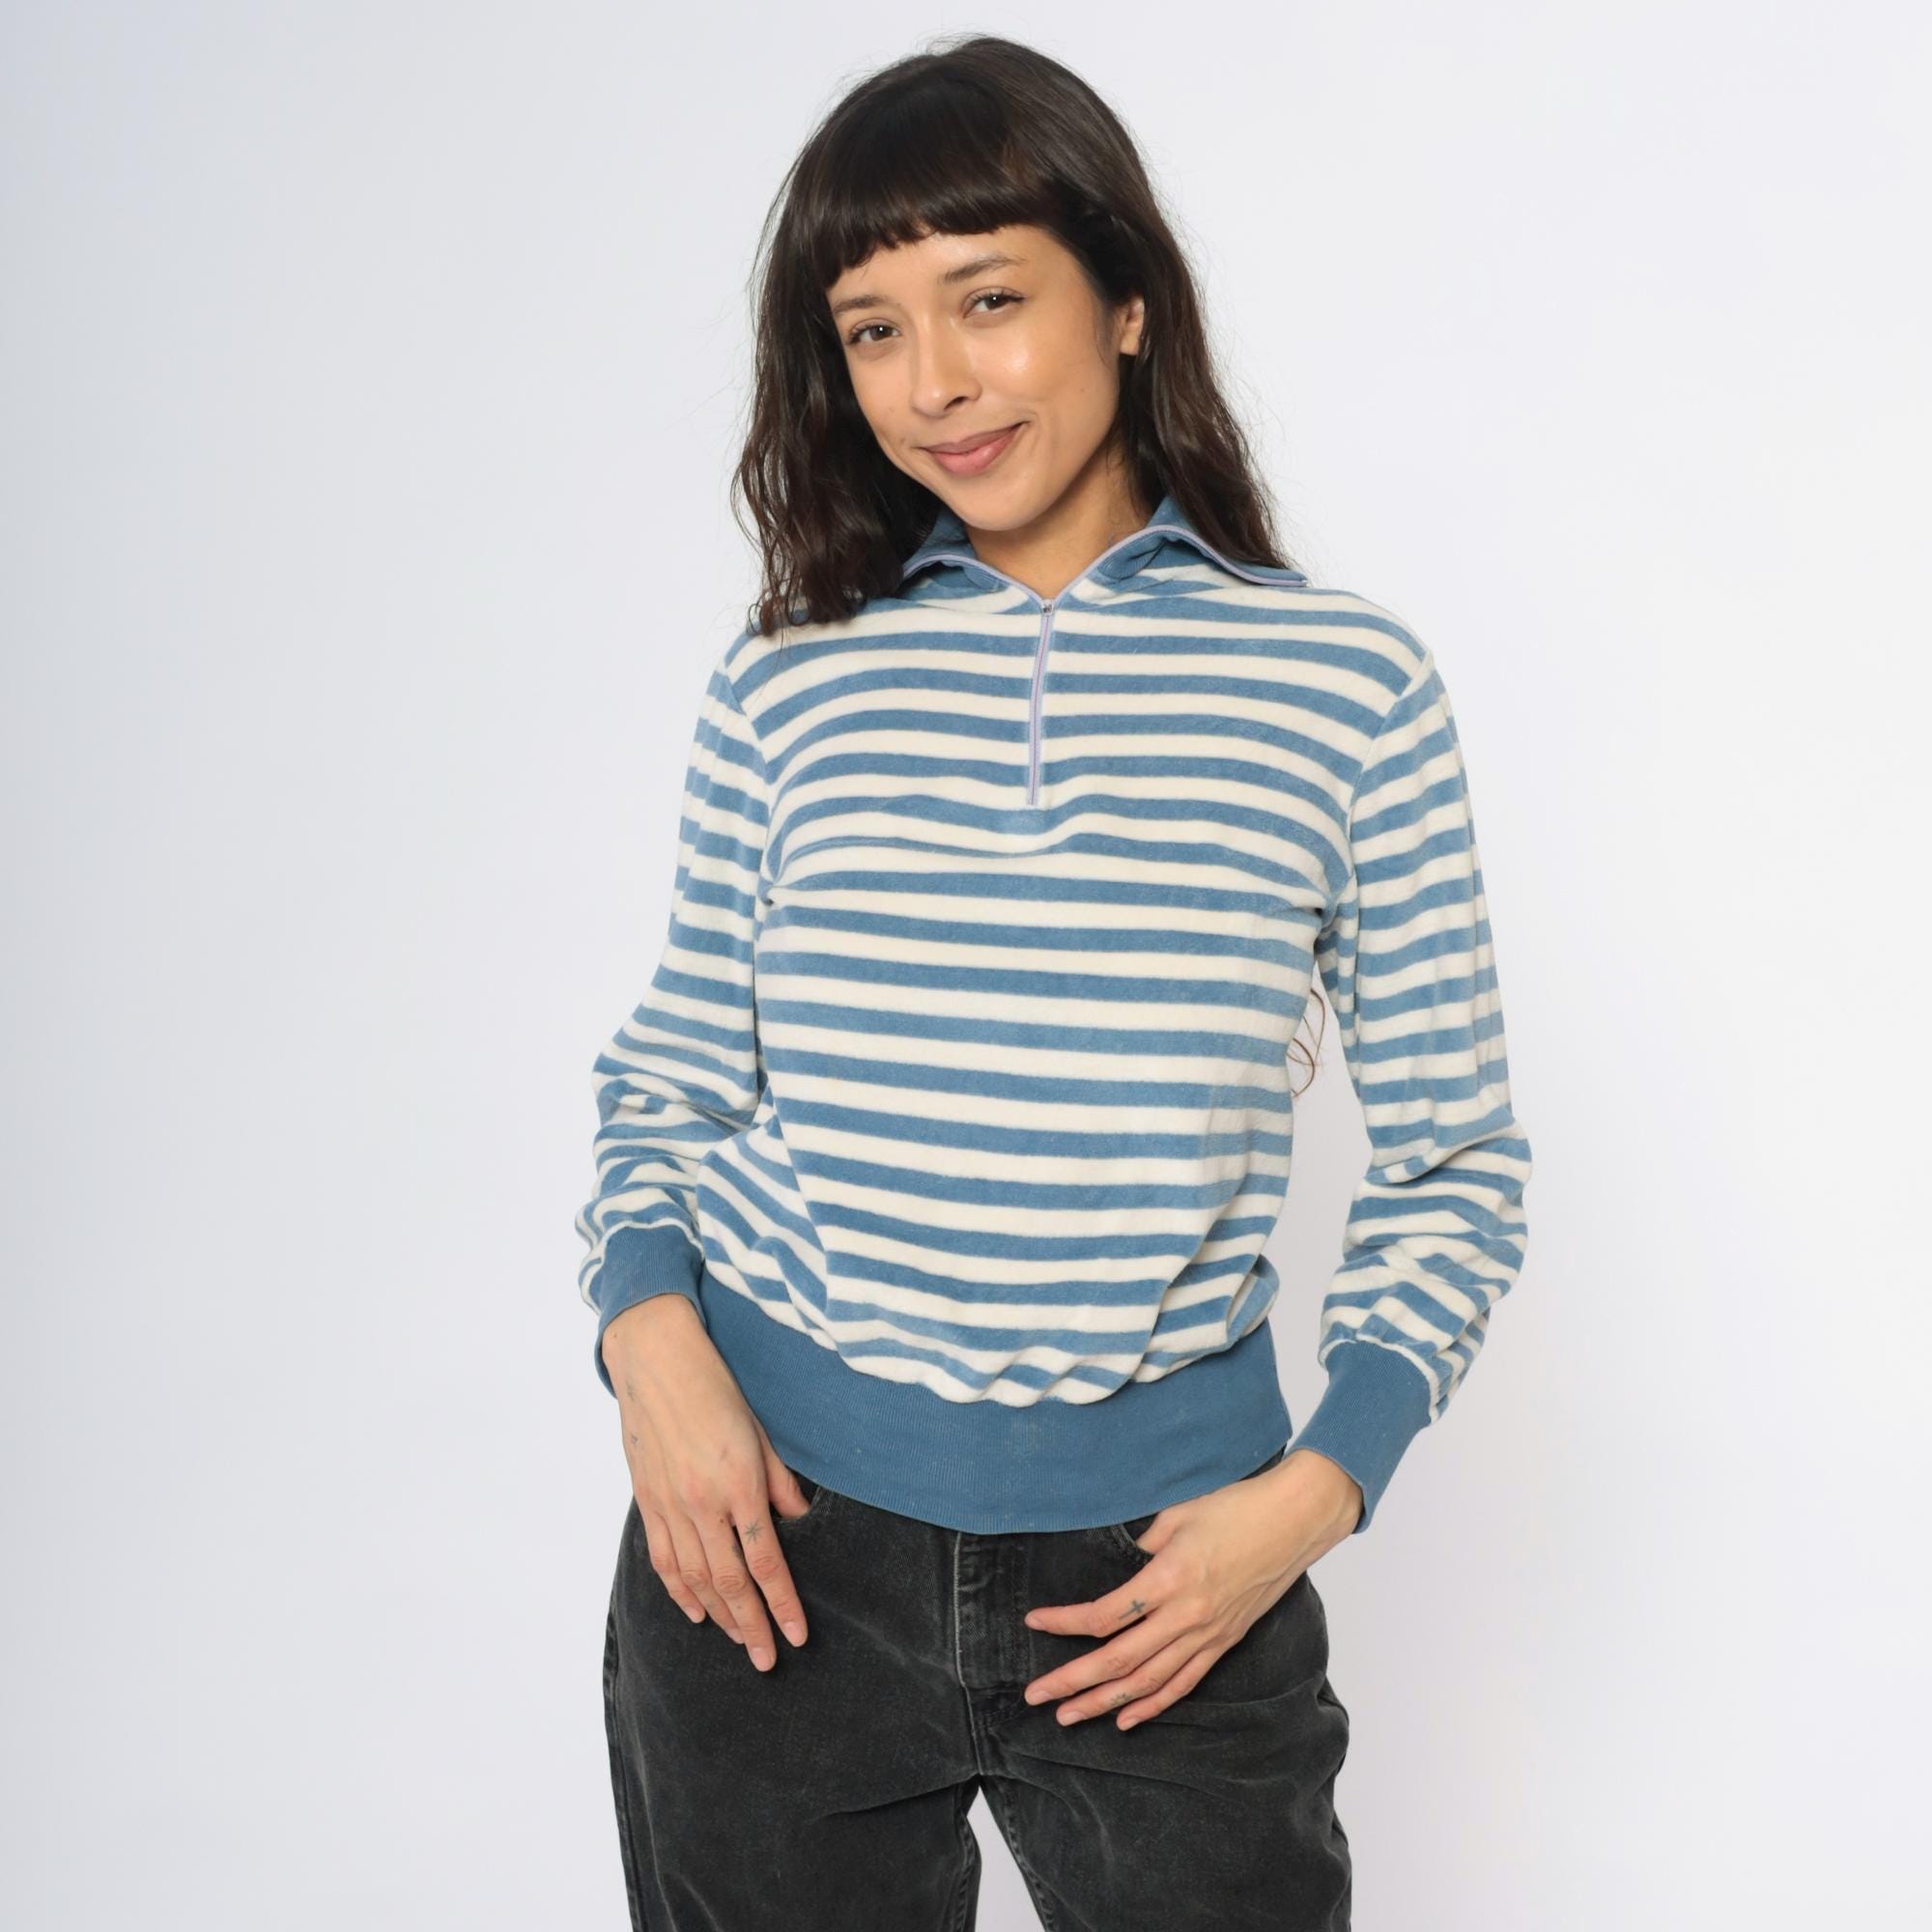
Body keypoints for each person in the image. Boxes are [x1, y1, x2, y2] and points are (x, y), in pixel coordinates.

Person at [576, 33, 1533, 1932]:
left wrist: (1314, 1491)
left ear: (1127, 303)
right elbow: (668, 1085)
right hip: (773, 1560)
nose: (932, 381)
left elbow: (1456, 1161)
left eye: (989, 300)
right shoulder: (788, 683)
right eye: (872, 330)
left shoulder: (1344, 688)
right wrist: (652, 1350)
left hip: (1169, 1581)